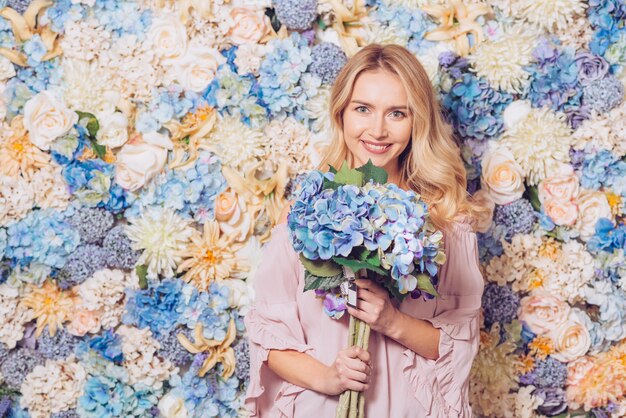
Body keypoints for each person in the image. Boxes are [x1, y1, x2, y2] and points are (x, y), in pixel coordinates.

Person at [244, 44, 486, 418]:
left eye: (397, 113)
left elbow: (458, 344)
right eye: (363, 109)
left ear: (417, 120)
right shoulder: (304, 216)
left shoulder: (446, 220)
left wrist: (392, 320)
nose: (378, 130)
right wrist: (328, 378)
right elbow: (269, 337)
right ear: (341, 113)